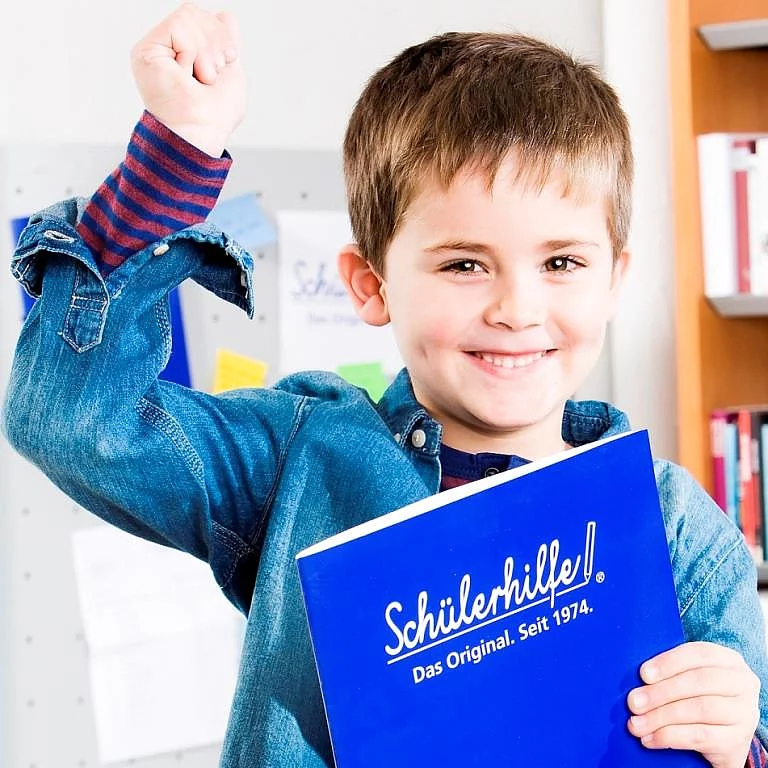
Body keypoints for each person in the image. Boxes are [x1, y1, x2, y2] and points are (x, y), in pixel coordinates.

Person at [3, 5, 767, 767]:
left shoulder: (676, 532)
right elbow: (72, 423)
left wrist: (741, 746)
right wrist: (174, 160)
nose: (517, 309)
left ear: (614, 281)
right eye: (464, 264)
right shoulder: (299, 461)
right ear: (371, 285)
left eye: (561, 263)